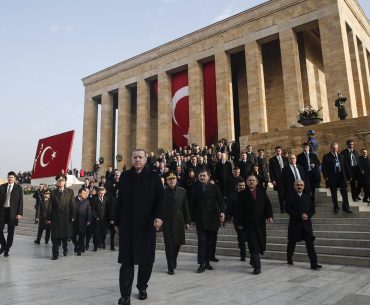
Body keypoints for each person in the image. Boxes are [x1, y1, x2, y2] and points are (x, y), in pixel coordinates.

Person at [114, 149, 163, 305]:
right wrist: (116, 221)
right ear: (131, 158)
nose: (137, 160)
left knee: (146, 260)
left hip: (146, 225)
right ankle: (125, 295)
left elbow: (160, 199)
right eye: (134, 157)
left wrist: (159, 217)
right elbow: (119, 200)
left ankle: (142, 287)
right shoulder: (125, 177)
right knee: (126, 262)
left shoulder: (154, 176)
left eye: (140, 157)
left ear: (146, 158)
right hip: (128, 225)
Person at [236, 174, 273, 275]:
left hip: (260, 223)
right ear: (246, 182)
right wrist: (239, 223)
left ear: (256, 182)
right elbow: (239, 210)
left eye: (253, 180)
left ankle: (253, 260)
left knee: (260, 243)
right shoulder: (242, 194)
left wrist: (269, 216)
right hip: (248, 224)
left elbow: (267, 205)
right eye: (249, 180)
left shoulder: (262, 192)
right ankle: (257, 266)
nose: (251, 182)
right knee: (253, 244)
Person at [190, 169, 225, 273]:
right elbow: (192, 204)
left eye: (204, 176)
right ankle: (201, 263)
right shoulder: (195, 188)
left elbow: (221, 201)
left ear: (209, 177)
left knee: (210, 242)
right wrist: (191, 219)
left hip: (213, 218)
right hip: (200, 219)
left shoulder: (214, 187)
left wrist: (222, 212)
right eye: (200, 176)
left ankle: (207, 262)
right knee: (202, 241)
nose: (202, 177)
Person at [286, 180, 322, 270]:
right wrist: (299, 215)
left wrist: (307, 215)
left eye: (301, 185)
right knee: (292, 242)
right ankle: (289, 258)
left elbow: (312, 210)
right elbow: (288, 210)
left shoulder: (307, 197)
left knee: (310, 244)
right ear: (294, 186)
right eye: (298, 185)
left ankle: (314, 263)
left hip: (307, 224)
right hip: (295, 224)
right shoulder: (290, 197)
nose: (300, 186)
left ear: (304, 186)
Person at [162, 172, 191, 275]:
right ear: (167, 181)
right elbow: (160, 207)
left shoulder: (182, 191)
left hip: (179, 220)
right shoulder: (163, 192)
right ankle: (170, 266)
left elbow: (185, 207)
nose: (172, 181)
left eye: (173, 179)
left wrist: (187, 221)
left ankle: (173, 259)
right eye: (170, 179)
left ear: (176, 180)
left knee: (177, 243)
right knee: (169, 245)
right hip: (167, 221)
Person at [47, 174, 75, 260]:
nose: (60, 182)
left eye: (62, 180)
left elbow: (72, 205)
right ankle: (55, 254)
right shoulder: (52, 192)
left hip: (66, 217)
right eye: (58, 180)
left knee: (64, 237)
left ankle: (65, 248)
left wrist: (73, 216)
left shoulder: (70, 192)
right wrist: (48, 218)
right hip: (55, 217)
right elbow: (50, 206)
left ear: (65, 181)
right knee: (55, 237)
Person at [322, 143, 352, 214]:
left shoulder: (341, 156)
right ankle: (336, 207)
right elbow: (324, 168)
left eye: (336, 148)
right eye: (333, 148)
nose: (335, 149)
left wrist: (349, 176)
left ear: (338, 148)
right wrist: (326, 177)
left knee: (344, 192)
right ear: (331, 148)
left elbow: (346, 166)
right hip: (332, 177)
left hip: (341, 176)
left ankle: (346, 207)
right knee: (334, 193)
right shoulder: (326, 156)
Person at [0, 171, 23, 257]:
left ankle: (7, 249)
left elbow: (21, 202)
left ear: (15, 178)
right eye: (9, 177)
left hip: (12, 212)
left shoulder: (18, 188)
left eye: (12, 177)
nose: (10, 179)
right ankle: (3, 244)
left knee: (10, 232)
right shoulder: (2, 187)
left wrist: (19, 213)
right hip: (2, 211)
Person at [226, 176, 247, 261]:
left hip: (248, 220)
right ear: (237, 186)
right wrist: (228, 217)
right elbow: (229, 207)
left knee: (245, 238)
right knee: (242, 238)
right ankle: (243, 255)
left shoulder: (248, 193)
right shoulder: (233, 195)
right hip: (238, 221)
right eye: (240, 185)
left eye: (243, 185)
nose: (242, 187)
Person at [297, 143, 321, 210]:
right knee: (306, 189)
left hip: (312, 174)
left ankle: (312, 204)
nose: (305, 148)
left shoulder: (313, 155)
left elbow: (318, 163)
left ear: (309, 148)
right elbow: (298, 166)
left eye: (306, 147)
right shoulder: (299, 156)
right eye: (304, 147)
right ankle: (307, 203)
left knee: (313, 190)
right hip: (305, 175)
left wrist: (314, 165)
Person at [269, 146, 289, 213]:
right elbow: (271, 171)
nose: (278, 152)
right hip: (278, 179)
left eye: (279, 151)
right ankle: (282, 209)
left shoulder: (285, 159)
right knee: (280, 194)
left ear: (281, 151)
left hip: (286, 179)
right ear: (275, 151)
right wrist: (273, 180)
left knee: (287, 193)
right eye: (277, 151)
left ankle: (287, 207)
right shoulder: (272, 160)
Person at [72, 188, 91, 256]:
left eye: (86, 194)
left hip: (83, 222)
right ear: (79, 193)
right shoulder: (73, 200)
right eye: (84, 193)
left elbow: (89, 211)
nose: (85, 195)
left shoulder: (87, 201)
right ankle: (77, 245)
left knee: (82, 237)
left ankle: (79, 250)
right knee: (72, 236)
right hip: (74, 222)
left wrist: (89, 220)